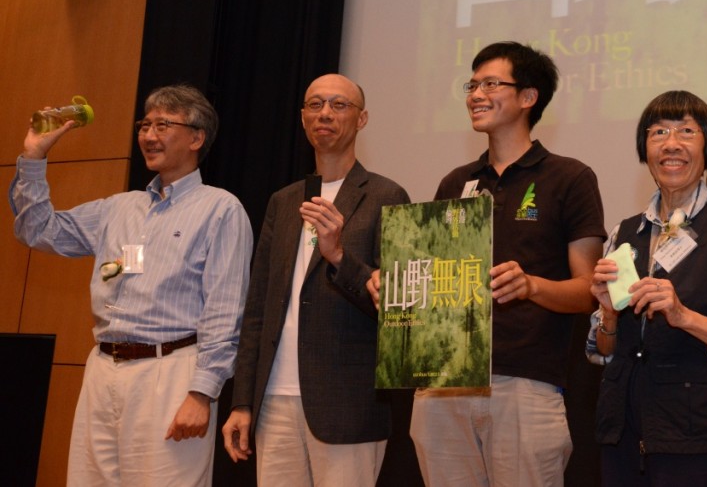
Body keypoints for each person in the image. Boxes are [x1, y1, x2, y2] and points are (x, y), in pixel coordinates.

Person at [9, 84, 253, 486]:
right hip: (103, 368)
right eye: (144, 125)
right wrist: (34, 157)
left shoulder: (221, 209)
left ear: (196, 138)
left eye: (162, 125)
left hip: (170, 372)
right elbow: (37, 229)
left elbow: (225, 311)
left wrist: (202, 392)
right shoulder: (118, 208)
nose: (149, 135)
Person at [400, 41, 606, 487]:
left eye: (491, 84)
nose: (476, 94)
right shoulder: (456, 182)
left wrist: (531, 285)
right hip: (443, 382)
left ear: (528, 97)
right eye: (472, 85)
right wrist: (398, 284)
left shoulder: (569, 177)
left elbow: (589, 291)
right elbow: (434, 286)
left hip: (525, 384)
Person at [587, 90, 707, 486]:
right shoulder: (623, 233)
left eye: (687, 131)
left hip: (701, 440)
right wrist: (608, 315)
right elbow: (600, 352)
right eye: (658, 132)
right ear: (645, 148)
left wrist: (684, 317)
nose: (671, 143)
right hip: (624, 436)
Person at [221, 74, 410, 486]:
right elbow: (259, 308)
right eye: (315, 104)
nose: (325, 113)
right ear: (303, 117)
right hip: (273, 399)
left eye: (339, 105)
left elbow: (398, 310)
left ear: (362, 119)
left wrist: (339, 255)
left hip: (347, 403)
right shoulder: (284, 200)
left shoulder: (386, 196)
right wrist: (242, 401)